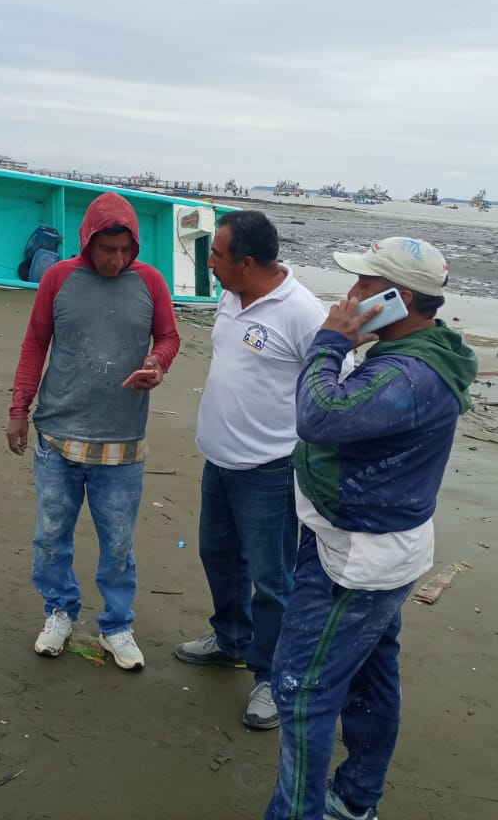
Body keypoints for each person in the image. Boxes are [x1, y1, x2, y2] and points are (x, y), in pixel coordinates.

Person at [264, 237, 477, 820]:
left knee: (301, 691)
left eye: (363, 285)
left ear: (398, 298)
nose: (350, 295)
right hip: (380, 547)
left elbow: (318, 416)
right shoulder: (415, 352)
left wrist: (330, 341)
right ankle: (356, 799)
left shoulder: (408, 375)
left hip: (355, 561)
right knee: (372, 675)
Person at [6, 191, 180, 671]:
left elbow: (168, 336)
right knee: (50, 535)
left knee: (118, 543)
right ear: (87, 241)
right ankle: (59, 611)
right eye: (107, 249)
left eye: (125, 250)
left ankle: (116, 624)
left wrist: (156, 363)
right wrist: (19, 409)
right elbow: (34, 344)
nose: (116, 259)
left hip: (122, 441)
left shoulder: (151, 281)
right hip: (57, 435)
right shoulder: (58, 279)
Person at [173, 211, 326, 730]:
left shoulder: (303, 313)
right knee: (218, 555)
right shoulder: (229, 295)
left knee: (273, 579)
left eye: (216, 255)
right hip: (218, 460)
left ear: (247, 262)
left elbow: (333, 386)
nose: (209, 263)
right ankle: (232, 639)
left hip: (270, 470)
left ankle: (273, 677)